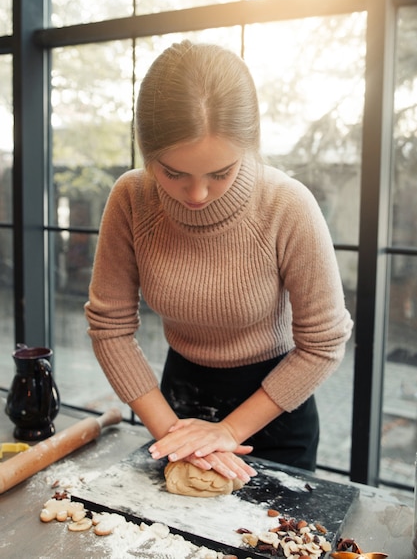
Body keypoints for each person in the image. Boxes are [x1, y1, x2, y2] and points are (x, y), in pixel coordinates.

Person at [85, 40, 353, 485]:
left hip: (274, 410)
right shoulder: (131, 198)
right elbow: (110, 328)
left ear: (250, 147)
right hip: (174, 407)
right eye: (173, 173)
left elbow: (322, 344)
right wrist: (177, 436)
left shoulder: (288, 205)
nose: (197, 195)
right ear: (147, 152)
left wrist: (228, 431)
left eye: (220, 173)